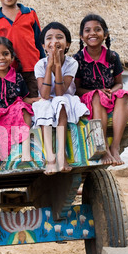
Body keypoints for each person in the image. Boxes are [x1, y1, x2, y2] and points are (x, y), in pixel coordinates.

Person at [73, 14, 128, 165]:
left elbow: (119, 83)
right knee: (96, 96)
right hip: (89, 97)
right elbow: (77, 88)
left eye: (97, 30)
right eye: (87, 30)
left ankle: (115, 146)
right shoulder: (78, 59)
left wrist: (112, 91)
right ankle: (104, 146)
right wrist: (98, 92)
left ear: (105, 34)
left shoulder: (112, 57)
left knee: (123, 96)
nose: (92, 33)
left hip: (109, 95)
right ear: (82, 36)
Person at [33, 22, 89, 175]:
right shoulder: (40, 65)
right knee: (44, 105)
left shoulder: (72, 63)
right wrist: (49, 65)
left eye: (59, 37)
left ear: (67, 44)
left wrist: (57, 66)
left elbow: (60, 92)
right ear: (43, 45)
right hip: (46, 101)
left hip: (66, 99)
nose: (54, 41)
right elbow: (44, 94)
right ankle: (50, 158)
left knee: (60, 102)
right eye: (49, 38)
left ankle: (61, 155)